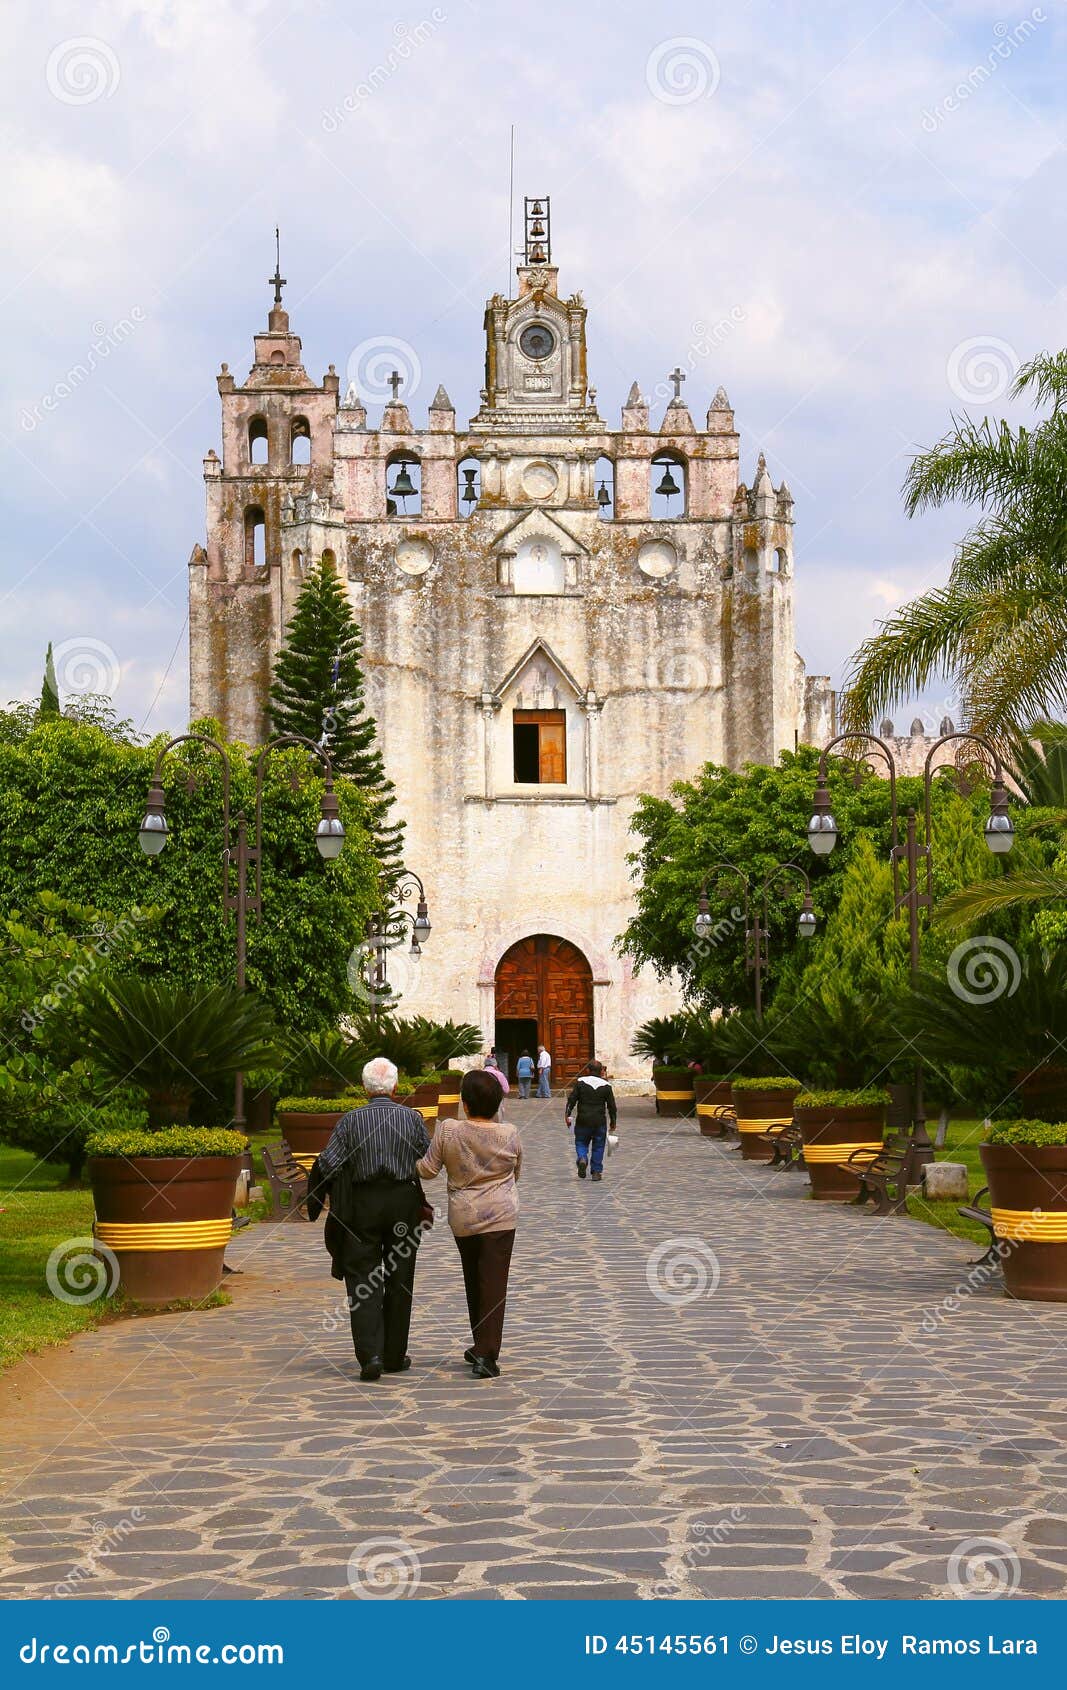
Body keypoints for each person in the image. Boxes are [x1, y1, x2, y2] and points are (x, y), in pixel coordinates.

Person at [307, 1056, 430, 1383]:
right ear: (395, 1086)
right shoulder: (412, 1118)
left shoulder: (350, 1121)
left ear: (364, 1087)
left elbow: (329, 1162)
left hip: (362, 1204)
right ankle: (393, 1354)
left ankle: (369, 1355)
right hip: (402, 1203)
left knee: (362, 1278)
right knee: (400, 1276)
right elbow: (425, 1156)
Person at [417, 1068, 521, 1379]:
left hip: (463, 1216)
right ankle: (486, 1352)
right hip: (500, 1215)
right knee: (493, 1283)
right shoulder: (510, 1133)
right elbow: (517, 1172)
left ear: (465, 1103)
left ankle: (480, 1344)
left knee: (474, 1279)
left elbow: (427, 1170)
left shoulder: (449, 1130)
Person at [566, 1059, 618, 1183]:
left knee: (581, 1142)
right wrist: (613, 1121)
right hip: (599, 1121)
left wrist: (567, 1114)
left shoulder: (580, 1082)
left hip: (583, 1119)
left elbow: (572, 1100)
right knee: (599, 1145)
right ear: (601, 1072)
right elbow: (612, 1106)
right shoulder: (606, 1086)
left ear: (588, 1070)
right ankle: (596, 1171)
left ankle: (582, 1158)